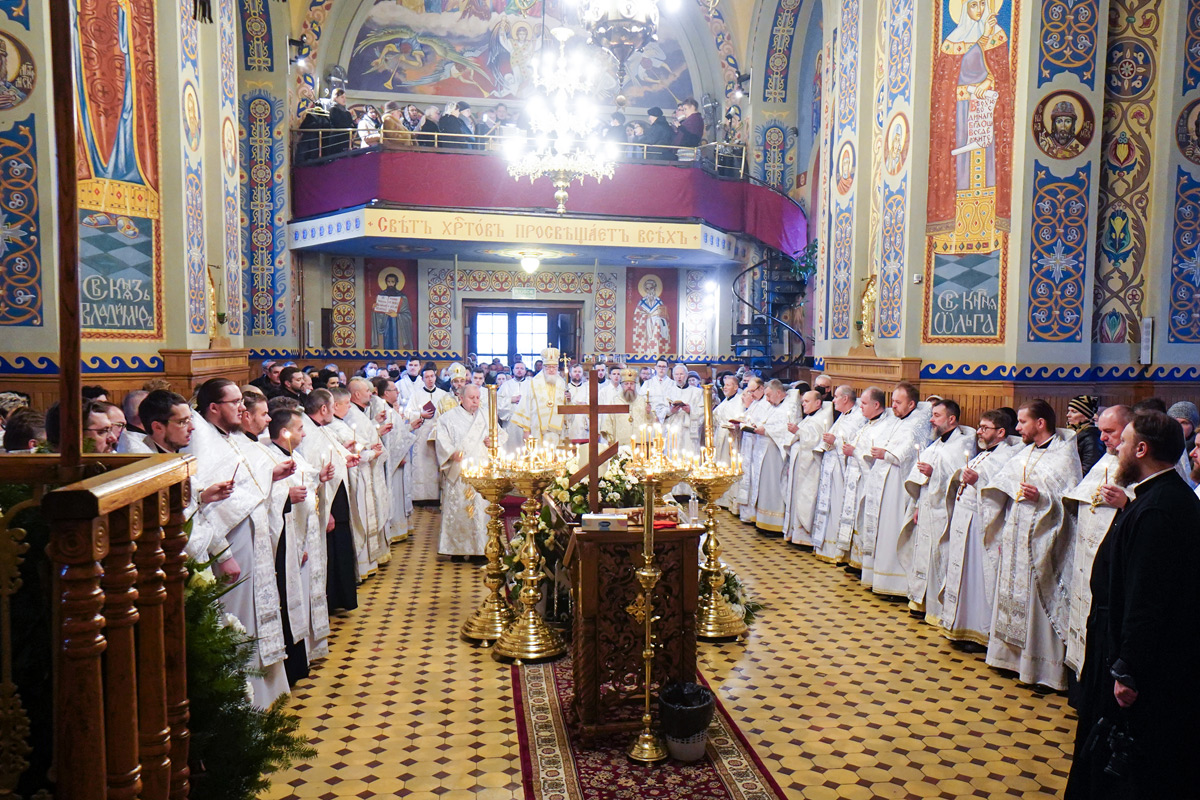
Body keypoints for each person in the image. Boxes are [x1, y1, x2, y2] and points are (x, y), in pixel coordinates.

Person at [1065, 411, 1200, 799]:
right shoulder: (1156, 496)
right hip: (1120, 646)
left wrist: (1128, 668)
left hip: (1136, 663)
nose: (1117, 450)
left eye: (1122, 443)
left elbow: (1149, 598)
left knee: (1126, 761)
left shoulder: (1159, 508)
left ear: (1141, 449)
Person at [185, 379, 294, 708]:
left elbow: (245, 479)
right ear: (214, 407)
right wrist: (223, 553)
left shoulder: (226, 436)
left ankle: (263, 696)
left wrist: (271, 476)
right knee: (239, 617)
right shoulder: (200, 441)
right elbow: (207, 496)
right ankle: (243, 701)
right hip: (230, 538)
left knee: (256, 614)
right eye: (235, 403)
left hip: (248, 533)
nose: (243, 409)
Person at [981, 399, 1082, 690]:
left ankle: (1040, 669)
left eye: (1023, 422)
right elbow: (1000, 484)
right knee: (1011, 594)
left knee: (1037, 600)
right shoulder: (1025, 452)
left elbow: (1068, 499)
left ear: (1040, 423)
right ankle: (1008, 659)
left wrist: (1042, 497)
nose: (1017, 427)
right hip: (1016, 533)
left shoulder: (1064, 456)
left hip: (1042, 540)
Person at [1063, 404, 1134, 681]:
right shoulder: (1106, 460)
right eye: (1101, 430)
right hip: (1086, 562)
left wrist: (1125, 502)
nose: (1102, 438)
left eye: (1109, 432)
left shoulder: (1137, 466)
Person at [940, 409, 1019, 647]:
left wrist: (979, 480)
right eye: (980, 427)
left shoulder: (1005, 456)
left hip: (981, 526)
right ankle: (960, 624)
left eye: (985, 428)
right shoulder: (984, 453)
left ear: (1001, 432)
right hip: (965, 521)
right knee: (963, 574)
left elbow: (1001, 488)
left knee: (978, 576)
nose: (979, 432)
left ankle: (979, 631)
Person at [897, 399, 976, 620]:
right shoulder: (938, 443)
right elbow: (921, 480)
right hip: (926, 507)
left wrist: (935, 472)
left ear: (951, 419)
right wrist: (916, 505)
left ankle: (937, 608)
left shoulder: (963, 444)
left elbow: (958, 476)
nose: (931, 419)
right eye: (932, 414)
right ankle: (920, 602)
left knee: (939, 556)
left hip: (944, 511)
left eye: (937, 415)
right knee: (923, 554)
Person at [296, 389, 358, 618]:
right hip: (327, 503)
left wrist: (346, 457)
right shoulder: (308, 433)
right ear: (323, 409)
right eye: (332, 406)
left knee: (339, 549)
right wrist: (327, 511)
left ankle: (340, 598)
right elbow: (313, 470)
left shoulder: (318, 428)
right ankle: (331, 599)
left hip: (336, 498)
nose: (334, 411)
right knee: (332, 550)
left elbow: (333, 452)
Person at [435, 384, 504, 560]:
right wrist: (451, 453)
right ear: (461, 398)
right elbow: (442, 441)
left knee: (480, 510)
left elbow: (502, 435)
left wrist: (493, 441)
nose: (475, 401)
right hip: (460, 472)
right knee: (459, 510)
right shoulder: (447, 418)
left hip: (482, 471)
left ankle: (479, 549)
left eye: (478, 398)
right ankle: (457, 550)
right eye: (471, 398)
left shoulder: (486, 415)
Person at [836, 387, 891, 572]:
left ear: (876, 405)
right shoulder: (867, 424)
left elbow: (873, 458)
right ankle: (854, 559)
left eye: (864, 403)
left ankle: (863, 564)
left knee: (863, 518)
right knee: (854, 518)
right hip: (854, 477)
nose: (860, 407)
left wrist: (855, 452)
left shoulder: (884, 427)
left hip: (866, 481)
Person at [811, 386, 866, 564]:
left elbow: (854, 443)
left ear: (845, 398)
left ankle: (836, 549)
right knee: (827, 506)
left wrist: (836, 441)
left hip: (842, 470)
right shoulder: (844, 415)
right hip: (831, 466)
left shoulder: (858, 417)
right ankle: (826, 546)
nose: (833, 401)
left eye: (835, 397)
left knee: (837, 506)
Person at [782, 390, 832, 545]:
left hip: (809, 468)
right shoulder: (809, 418)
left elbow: (815, 440)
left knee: (806, 497)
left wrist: (798, 432)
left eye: (807, 401)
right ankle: (794, 533)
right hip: (799, 464)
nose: (803, 404)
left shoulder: (821, 418)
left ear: (818, 403)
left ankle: (804, 536)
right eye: (803, 401)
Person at [748, 380, 797, 534]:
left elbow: (788, 429)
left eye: (769, 395)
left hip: (775, 454)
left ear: (778, 392)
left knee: (773, 485)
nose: (767, 399)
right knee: (763, 484)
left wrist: (767, 431)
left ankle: (774, 522)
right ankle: (762, 520)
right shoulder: (774, 406)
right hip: (764, 452)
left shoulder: (790, 406)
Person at [404, 363, 448, 502]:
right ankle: (420, 496)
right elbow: (407, 413)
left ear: (435, 377)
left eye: (432, 376)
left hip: (437, 435)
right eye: (427, 377)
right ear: (422, 379)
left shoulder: (443, 395)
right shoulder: (416, 395)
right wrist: (420, 413)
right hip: (421, 434)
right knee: (421, 463)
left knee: (436, 462)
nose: (430, 379)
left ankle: (436, 496)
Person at [512, 347, 566, 446]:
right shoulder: (534, 383)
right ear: (543, 367)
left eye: (554, 367)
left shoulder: (562, 383)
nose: (551, 370)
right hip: (537, 428)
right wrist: (526, 430)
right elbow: (526, 407)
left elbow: (566, 407)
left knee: (556, 456)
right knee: (539, 457)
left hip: (557, 429)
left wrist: (568, 399)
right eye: (548, 367)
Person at [599, 368, 653, 449]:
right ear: (622, 385)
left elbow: (651, 422)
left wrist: (649, 413)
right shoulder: (615, 401)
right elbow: (609, 422)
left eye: (632, 384)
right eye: (626, 384)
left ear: (635, 385)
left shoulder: (643, 401)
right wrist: (610, 439)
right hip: (621, 444)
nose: (629, 386)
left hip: (639, 445)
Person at [1067, 395, 1102, 475]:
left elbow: (1089, 468)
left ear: (1086, 415)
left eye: (1074, 412)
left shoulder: (1092, 437)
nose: (1068, 415)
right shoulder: (1073, 433)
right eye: (1069, 411)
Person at [326, 90, 355, 155]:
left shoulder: (347, 112)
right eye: (342, 97)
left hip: (347, 139)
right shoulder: (333, 110)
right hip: (337, 140)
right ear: (336, 98)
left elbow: (351, 124)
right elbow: (337, 124)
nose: (344, 99)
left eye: (345, 97)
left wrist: (355, 125)